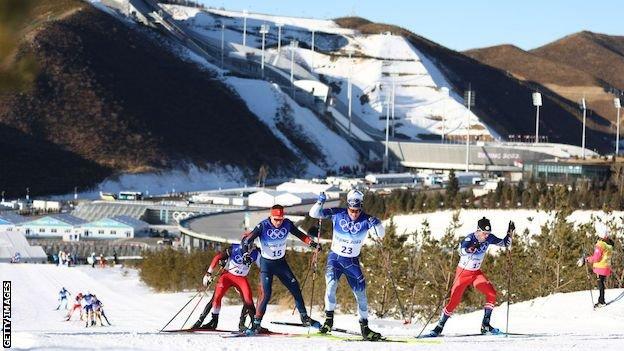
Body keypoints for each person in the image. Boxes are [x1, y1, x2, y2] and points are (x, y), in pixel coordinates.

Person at [309, 189, 385, 341]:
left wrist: (378, 223)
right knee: (330, 287)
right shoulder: (338, 213)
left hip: (352, 262)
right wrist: (320, 202)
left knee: (361, 295)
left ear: (360, 208)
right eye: (351, 210)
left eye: (357, 210)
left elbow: (381, 235)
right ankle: (328, 322)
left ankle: (365, 328)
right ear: (348, 207)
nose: (354, 213)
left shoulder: (366, 219)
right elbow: (314, 214)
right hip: (335, 259)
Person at [241, 204, 321, 334]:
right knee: (266, 295)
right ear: (271, 216)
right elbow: (246, 241)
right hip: (267, 265)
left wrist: (311, 243)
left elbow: (300, 234)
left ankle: (305, 318)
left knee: (295, 288)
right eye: (276, 219)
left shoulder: (287, 224)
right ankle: (256, 324)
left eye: (280, 219)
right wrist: (245, 254)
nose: (278, 222)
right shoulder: (263, 226)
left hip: (281, 264)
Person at [429, 217, 514, 337]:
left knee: (491, 294)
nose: (486, 236)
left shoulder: (489, 238)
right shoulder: (470, 238)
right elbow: (461, 250)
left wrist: (509, 233)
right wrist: (469, 249)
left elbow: (505, 243)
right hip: (463, 274)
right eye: (484, 233)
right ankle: (439, 327)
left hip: (476, 274)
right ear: (478, 230)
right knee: (454, 301)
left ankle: (486, 326)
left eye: (488, 233)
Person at [191, 236, 261, 331]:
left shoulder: (255, 253)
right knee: (216, 297)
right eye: (247, 246)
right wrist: (208, 273)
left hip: (241, 279)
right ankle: (208, 321)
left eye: (251, 245)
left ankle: (249, 324)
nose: (249, 249)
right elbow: (217, 258)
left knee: (248, 299)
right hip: (227, 276)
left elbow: (263, 266)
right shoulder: (234, 249)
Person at [580, 222, 614, 308]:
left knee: (600, 283)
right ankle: (601, 300)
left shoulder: (600, 245)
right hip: (607, 266)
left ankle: (601, 301)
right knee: (601, 282)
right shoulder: (609, 243)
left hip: (600, 267)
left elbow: (596, 258)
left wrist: (587, 259)